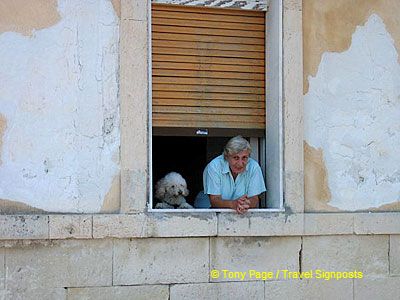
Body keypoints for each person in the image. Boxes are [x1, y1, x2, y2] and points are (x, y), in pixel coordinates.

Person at [194, 136, 266, 214]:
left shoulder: (254, 167)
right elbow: (215, 200)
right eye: (236, 158)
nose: (240, 163)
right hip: (211, 213)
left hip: (242, 214)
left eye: (244, 157)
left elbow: (254, 198)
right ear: (227, 157)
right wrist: (234, 204)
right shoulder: (214, 166)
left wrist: (245, 204)